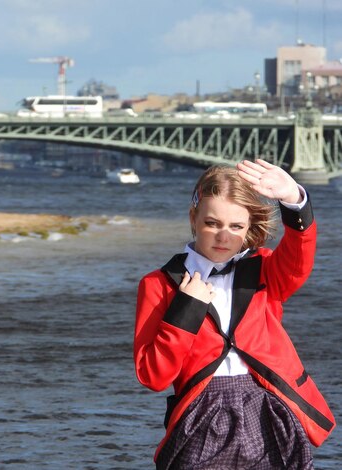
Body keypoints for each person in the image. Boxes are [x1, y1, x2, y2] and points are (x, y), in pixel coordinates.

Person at [134, 159, 335, 469]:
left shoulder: (266, 270)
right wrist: (186, 310)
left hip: (268, 405)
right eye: (212, 223)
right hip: (200, 412)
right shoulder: (159, 284)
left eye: (236, 226)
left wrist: (294, 201)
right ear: (193, 218)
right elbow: (152, 376)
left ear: (249, 228)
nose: (223, 236)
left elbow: (300, 254)